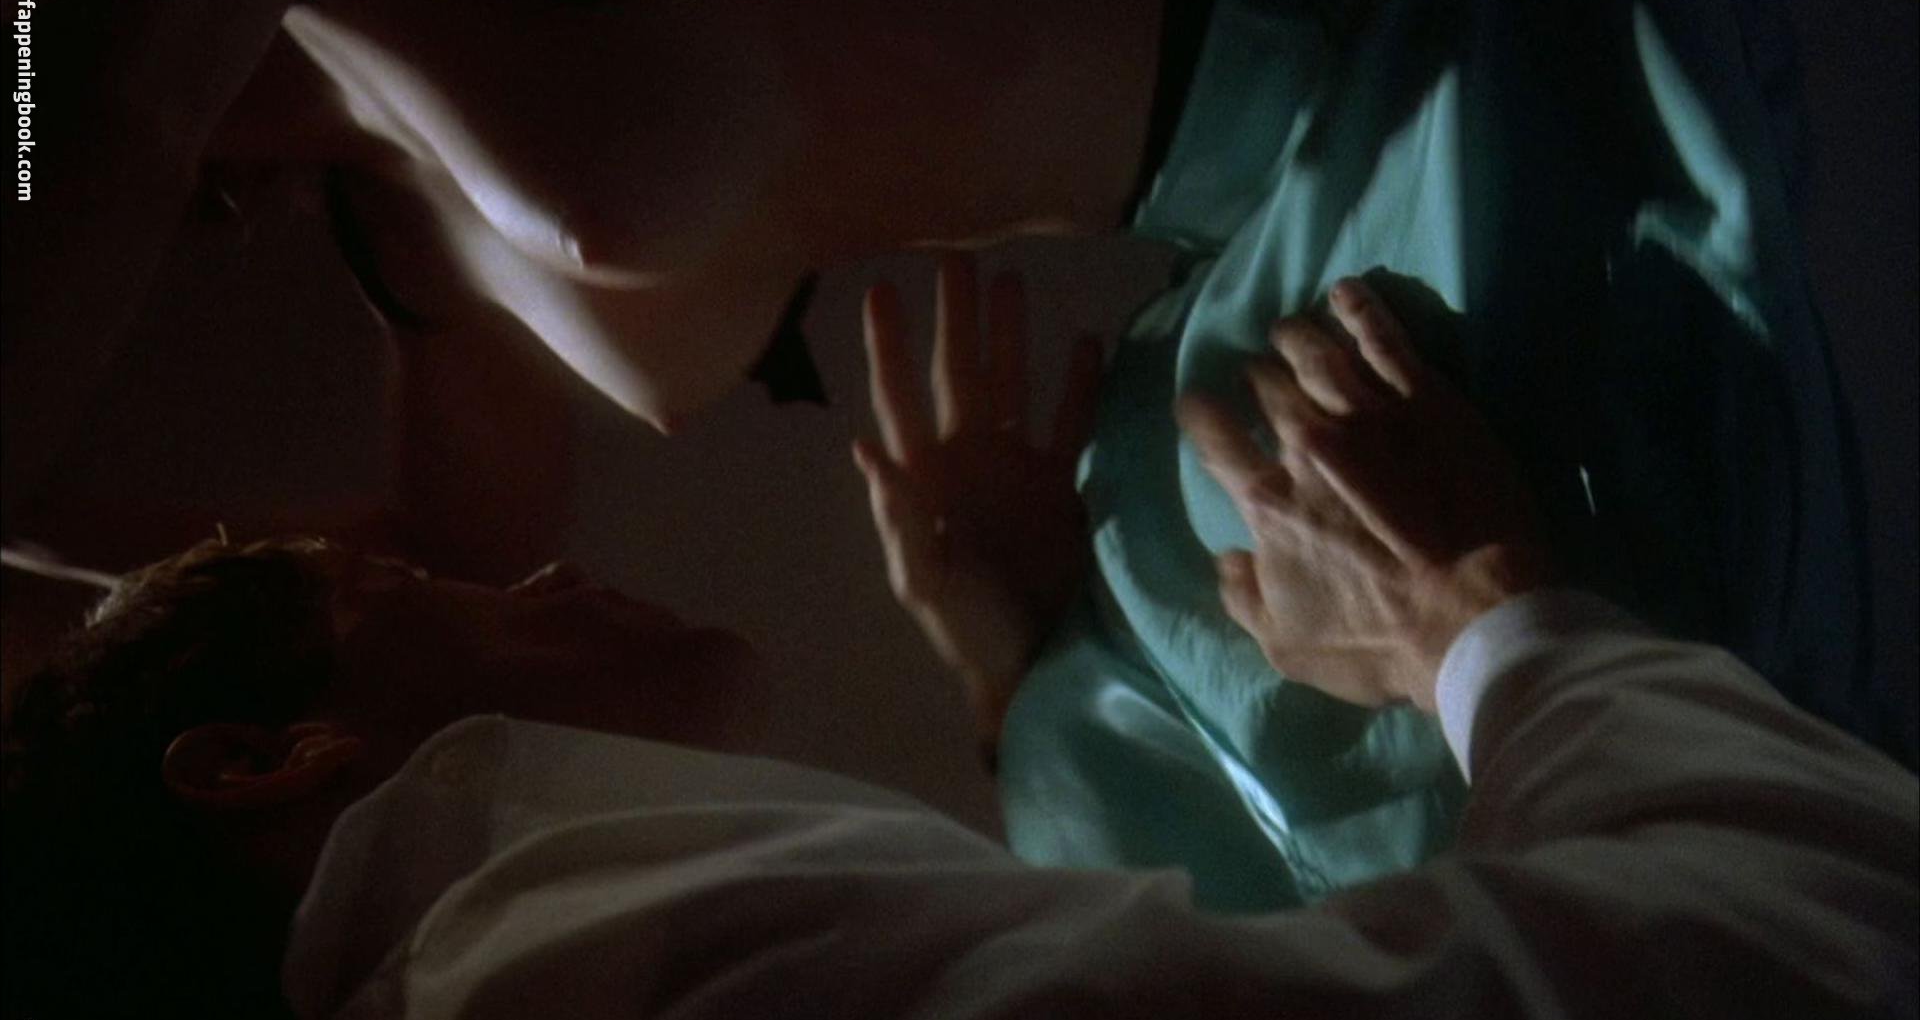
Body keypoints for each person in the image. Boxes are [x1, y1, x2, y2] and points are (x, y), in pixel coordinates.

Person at [4, 280, 1913, 1018]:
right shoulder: (570, 971)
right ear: (261, 760)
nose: (545, 569)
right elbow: (1802, 954)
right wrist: (1480, 614)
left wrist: (1040, 692)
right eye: (419, 590)